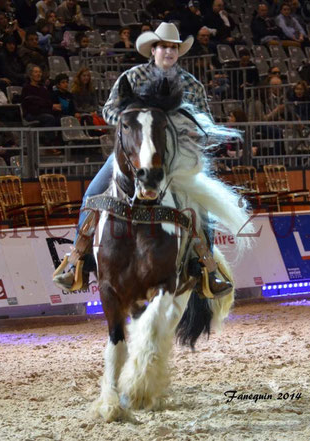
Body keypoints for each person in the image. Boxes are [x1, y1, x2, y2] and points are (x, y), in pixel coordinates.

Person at [53, 22, 236, 299]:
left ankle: (207, 268)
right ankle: (77, 261)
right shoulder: (132, 78)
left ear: (178, 52)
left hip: (176, 160)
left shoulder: (192, 85)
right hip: (134, 156)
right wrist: (130, 121)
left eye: (174, 47)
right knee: (92, 193)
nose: (169, 51)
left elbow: (205, 124)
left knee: (201, 208)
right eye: (164, 46)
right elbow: (109, 110)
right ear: (153, 49)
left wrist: (188, 133)